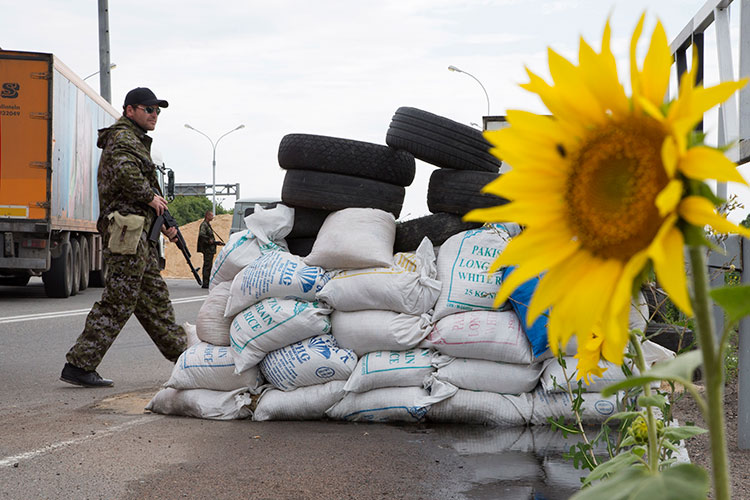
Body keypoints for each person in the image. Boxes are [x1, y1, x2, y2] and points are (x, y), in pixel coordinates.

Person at [60, 87, 187, 388]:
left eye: (158, 111)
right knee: (119, 298)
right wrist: (150, 197)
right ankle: (79, 364)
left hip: (138, 233)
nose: (155, 115)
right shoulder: (123, 137)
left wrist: (165, 221)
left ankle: (185, 359)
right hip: (126, 232)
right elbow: (126, 175)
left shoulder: (136, 140)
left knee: (154, 298)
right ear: (130, 110)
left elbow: (144, 185)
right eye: (149, 109)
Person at [197, 210, 225, 288]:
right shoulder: (204, 225)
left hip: (210, 248)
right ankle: (205, 283)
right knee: (207, 266)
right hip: (207, 249)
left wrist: (215, 242)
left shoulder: (207, 225)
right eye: (211, 215)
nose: (213, 217)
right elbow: (202, 235)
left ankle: (207, 282)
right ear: (207, 216)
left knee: (209, 265)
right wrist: (209, 241)